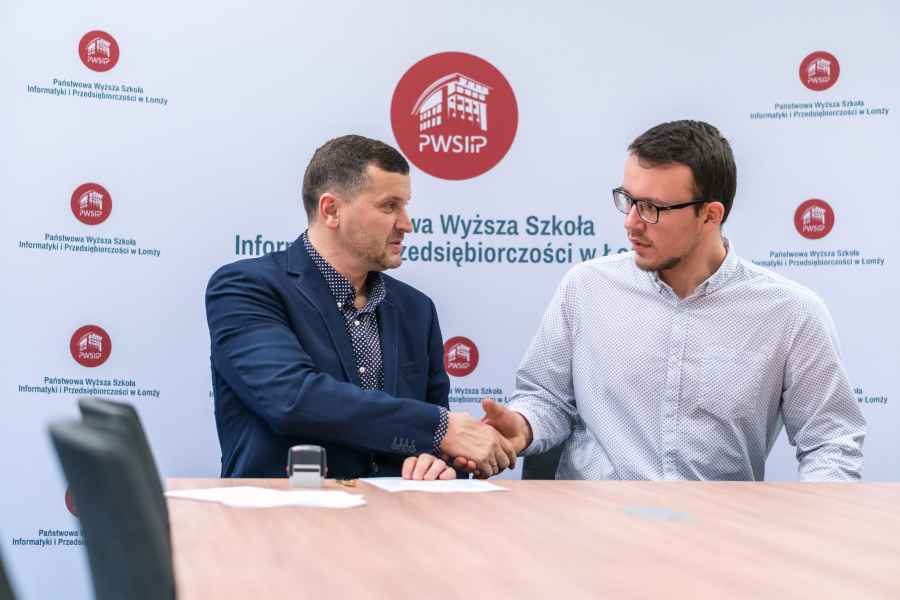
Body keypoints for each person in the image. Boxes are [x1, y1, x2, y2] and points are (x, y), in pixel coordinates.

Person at [476, 120, 865, 481]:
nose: (631, 222)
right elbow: (547, 399)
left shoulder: (790, 313)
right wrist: (524, 426)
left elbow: (831, 441)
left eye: (651, 208)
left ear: (710, 215)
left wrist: (816, 516)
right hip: (596, 519)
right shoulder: (586, 287)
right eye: (628, 200)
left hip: (719, 525)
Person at [206, 135, 514, 481]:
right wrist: (438, 429)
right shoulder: (246, 287)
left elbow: (437, 440)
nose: (406, 224)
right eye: (389, 206)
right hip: (285, 509)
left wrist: (438, 461)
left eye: (405, 206)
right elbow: (292, 399)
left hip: (399, 512)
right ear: (331, 210)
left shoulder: (417, 309)